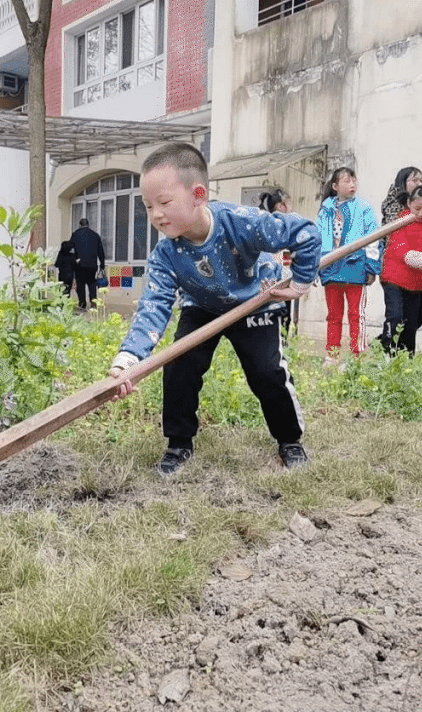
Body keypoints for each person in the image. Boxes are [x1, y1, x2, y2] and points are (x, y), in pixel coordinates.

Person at [108, 143, 321, 475]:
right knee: (179, 365)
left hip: (254, 302)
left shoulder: (242, 222)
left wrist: (300, 283)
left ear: (198, 195)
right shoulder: (166, 254)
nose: (156, 215)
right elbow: (154, 305)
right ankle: (179, 444)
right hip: (202, 306)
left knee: (267, 372)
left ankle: (290, 441)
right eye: (148, 206)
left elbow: (306, 233)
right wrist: (128, 360)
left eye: (164, 203)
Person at [316, 167, 381, 362]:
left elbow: (373, 237)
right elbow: (318, 238)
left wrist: (371, 266)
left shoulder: (363, 207)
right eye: (346, 181)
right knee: (334, 315)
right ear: (335, 186)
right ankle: (332, 355)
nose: (352, 184)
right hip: (330, 266)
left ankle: (357, 357)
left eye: (354, 180)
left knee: (356, 314)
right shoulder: (326, 209)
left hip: (355, 265)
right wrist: (317, 265)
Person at [378, 184, 422, 356]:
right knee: (395, 317)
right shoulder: (400, 221)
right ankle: (387, 354)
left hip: (416, 283)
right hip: (393, 278)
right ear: (409, 203)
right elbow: (405, 255)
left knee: (412, 324)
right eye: (417, 208)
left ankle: (406, 360)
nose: (420, 214)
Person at [259, 188, 295, 333]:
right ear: (280, 206)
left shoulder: (265, 223)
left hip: (269, 277)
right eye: (289, 203)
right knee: (283, 314)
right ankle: (283, 347)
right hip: (281, 276)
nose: (291, 207)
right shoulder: (283, 225)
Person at [69, 218, 106, 310]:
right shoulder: (95, 235)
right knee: (92, 284)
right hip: (92, 265)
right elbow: (100, 251)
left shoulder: (75, 235)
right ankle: (93, 303)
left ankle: (82, 304)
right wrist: (102, 264)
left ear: (80, 225)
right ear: (88, 224)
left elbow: (70, 250)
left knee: (80, 285)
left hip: (79, 265)